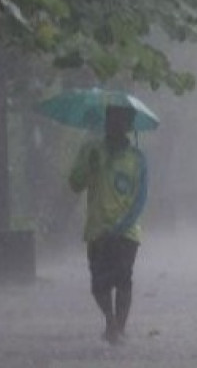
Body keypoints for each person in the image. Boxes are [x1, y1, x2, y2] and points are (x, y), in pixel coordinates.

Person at [68, 104, 148, 345]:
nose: (115, 125)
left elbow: (140, 198)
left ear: (128, 125)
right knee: (98, 283)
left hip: (127, 232)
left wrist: (122, 226)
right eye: (112, 119)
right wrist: (89, 166)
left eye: (121, 120)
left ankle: (118, 328)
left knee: (123, 278)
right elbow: (74, 184)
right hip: (97, 230)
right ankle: (110, 320)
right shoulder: (92, 151)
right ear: (106, 122)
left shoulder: (137, 159)